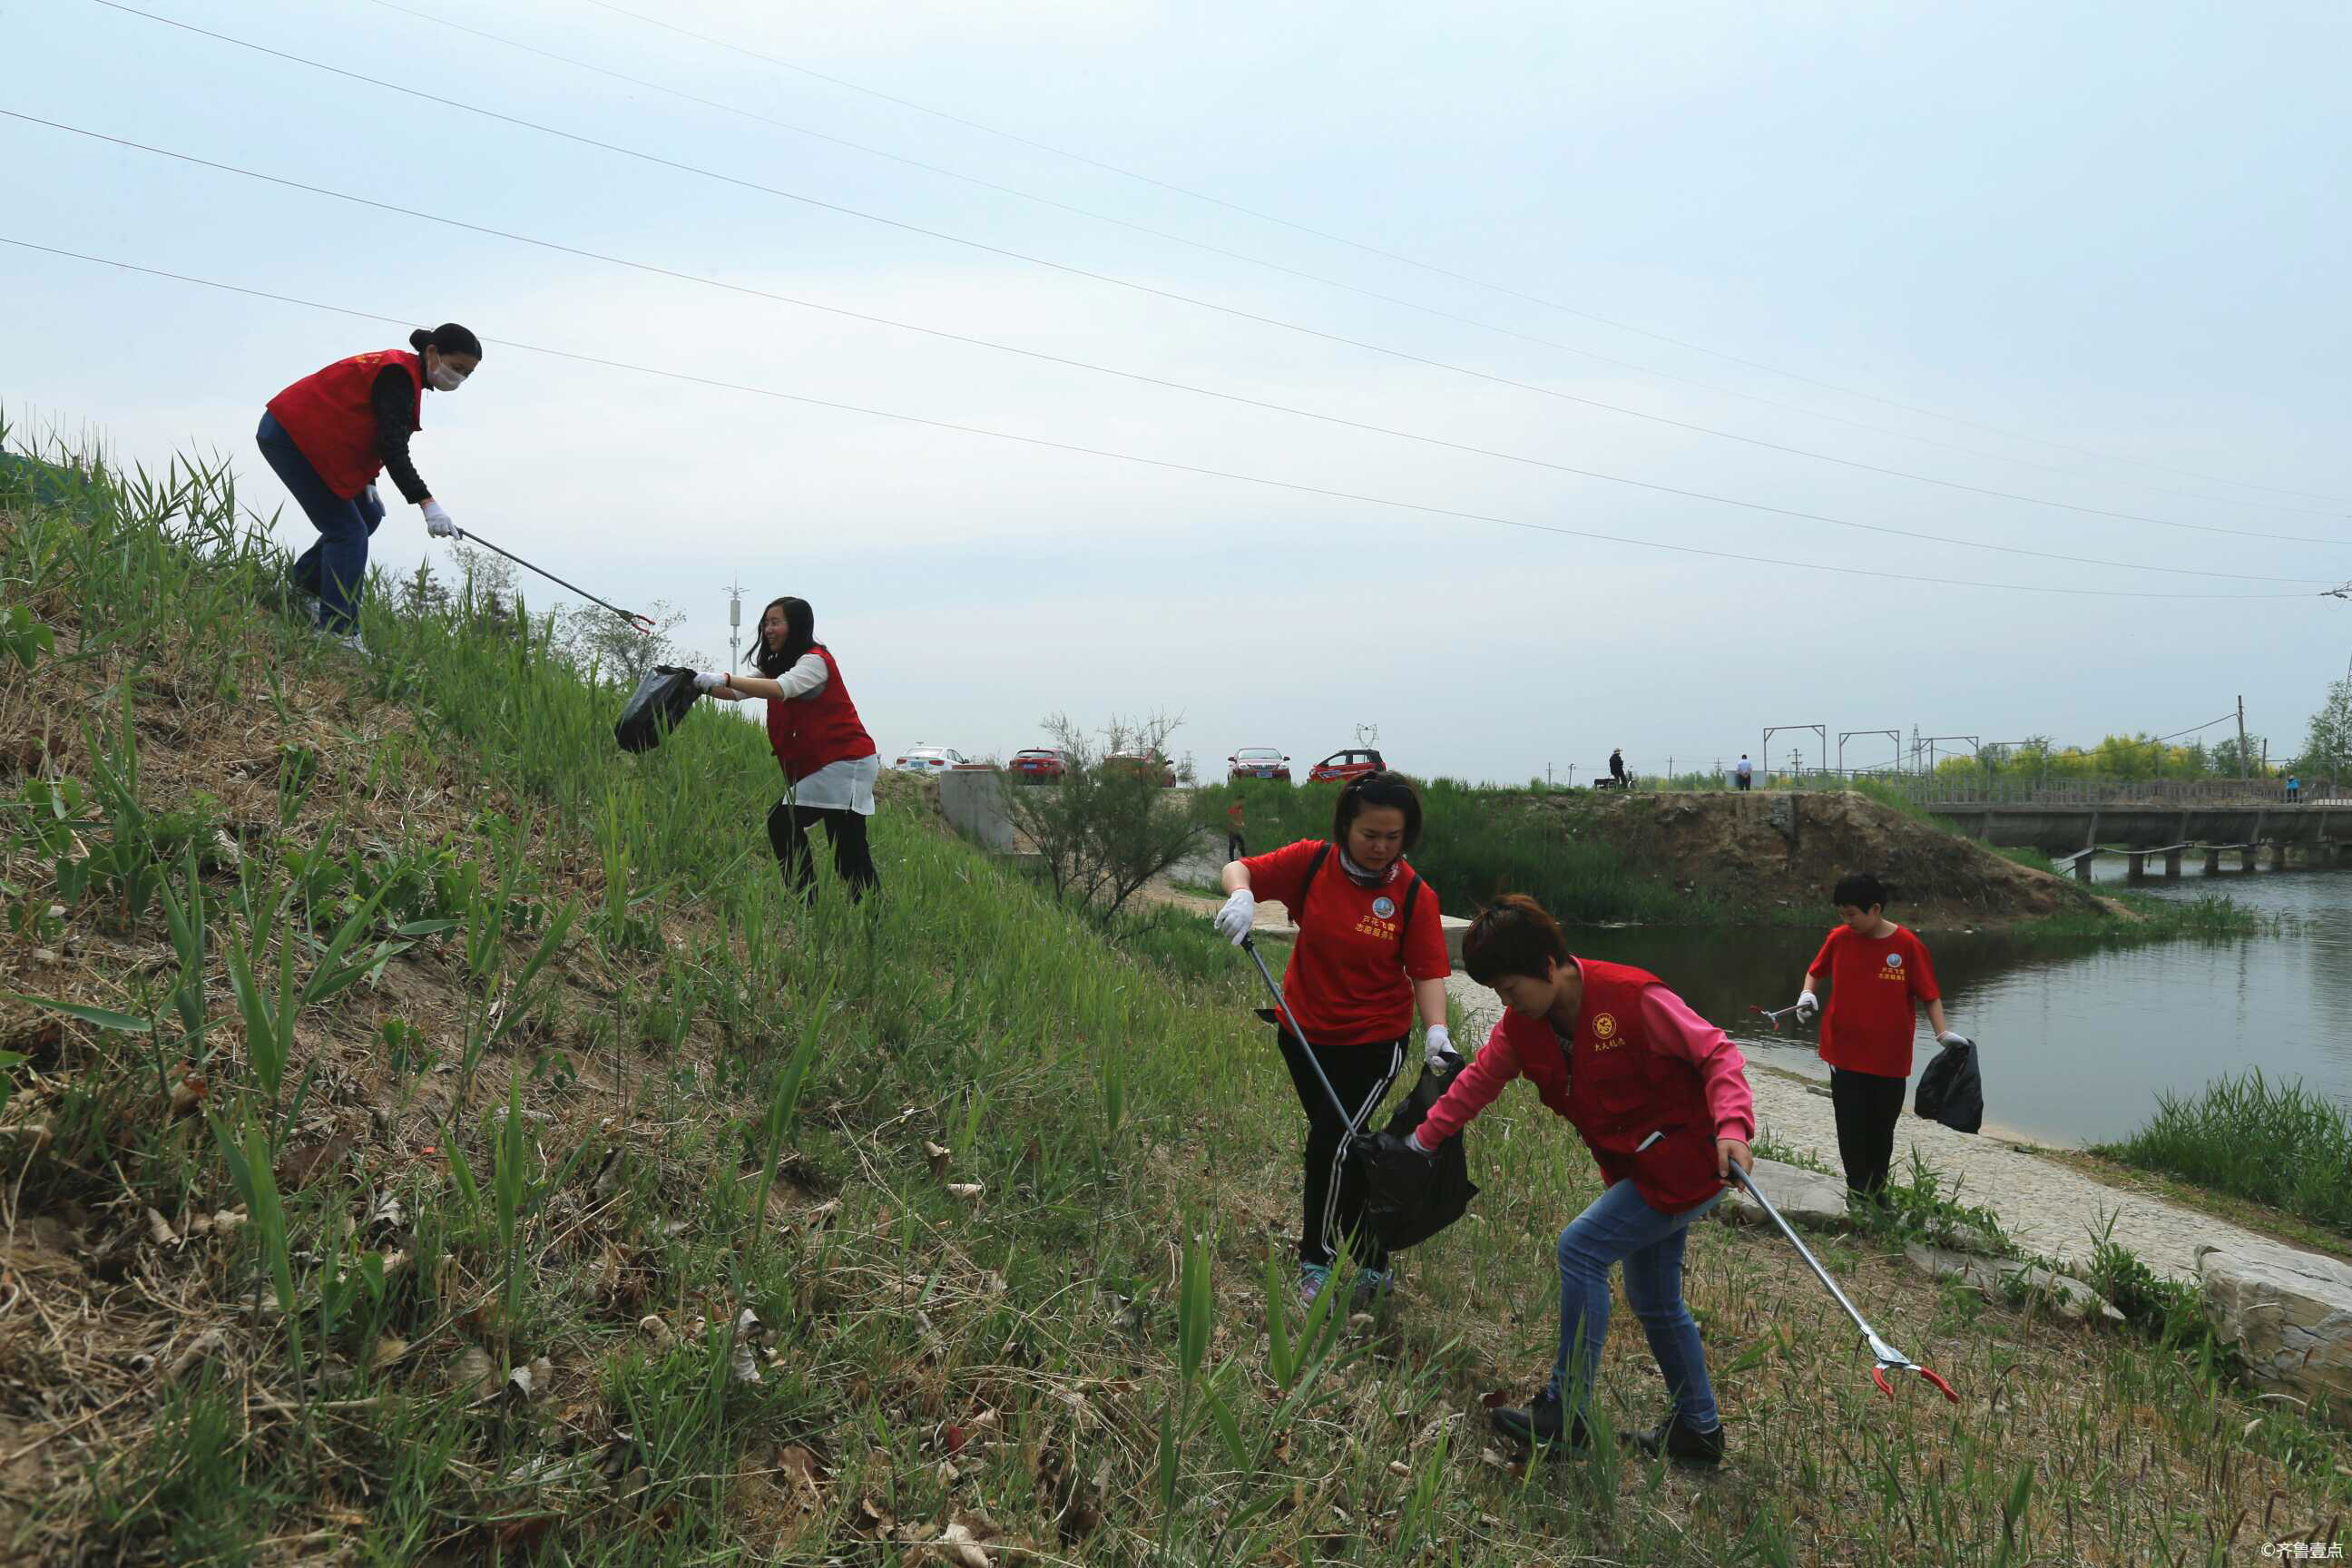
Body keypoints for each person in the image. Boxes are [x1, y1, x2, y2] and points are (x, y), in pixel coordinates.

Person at [1378, 894, 1752, 1465]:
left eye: (1511, 988)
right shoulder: (1524, 1026)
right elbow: (1478, 1082)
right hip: (1638, 1168)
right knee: (1654, 1299)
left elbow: (1717, 1054)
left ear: (1548, 966)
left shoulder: (1636, 999)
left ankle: (1566, 1408)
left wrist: (1734, 1127)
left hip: (1687, 1163)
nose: (1508, 1003)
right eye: (1498, 994)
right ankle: (1698, 1432)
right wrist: (1421, 1142)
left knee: (1580, 1248)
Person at [1211, 772, 1454, 1308]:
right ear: (1346, 825)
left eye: (1393, 837)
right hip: (1302, 1032)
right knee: (1347, 1146)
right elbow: (1238, 867)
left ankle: (1315, 1259)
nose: (1381, 847)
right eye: (1370, 833)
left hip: (1374, 1041)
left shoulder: (1413, 895)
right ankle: (1371, 1255)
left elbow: (1428, 972)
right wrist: (1243, 894)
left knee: (1330, 1142)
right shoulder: (1314, 862)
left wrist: (1436, 1030)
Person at [259, 325, 480, 654]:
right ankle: (338, 633)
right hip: (292, 436)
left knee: (368, 514)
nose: (458, 378)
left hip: (310, 438)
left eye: (467, 374)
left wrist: (369, 480)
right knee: (347, 531)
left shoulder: (404, 373)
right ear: (432, 353)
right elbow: (392, 448)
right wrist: (427, 503)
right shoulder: (398, 375)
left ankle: (299, 589)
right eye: (457, 367)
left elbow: (363, 425)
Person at [1790, 872, 1970, 1200]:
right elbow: (1815, 972)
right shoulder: (1839, 939)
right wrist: (1807, 994)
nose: (1847, 921)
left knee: (1881, 1127)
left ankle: (1877, 1191)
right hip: (1843, 1053)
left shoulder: (1907, 946)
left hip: (1889, 1058)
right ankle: (1856, 1190)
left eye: (1852, 914)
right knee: (1849, 1124)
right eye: (1842, 914)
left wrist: (1942, 1032)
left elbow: (1929, 994)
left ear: (1875, 909)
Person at [696, 597, 880, 902]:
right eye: (766, 623)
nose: (769, 630)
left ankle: (809, 904)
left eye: (776, 622)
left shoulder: (815, 661)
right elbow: (735, 691)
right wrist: (695, 683)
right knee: (848, 852)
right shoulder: (779, 666)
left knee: (787, 823)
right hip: (829, 764)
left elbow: (783, 689)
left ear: (796, 626)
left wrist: (725, 677)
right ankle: (837, 909)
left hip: (845, 761)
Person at [1226, 796, 1247, 862]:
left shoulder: (1240, 809)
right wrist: (1238, 824)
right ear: (1238, 801)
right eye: (1242, 801)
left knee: (1242, 843)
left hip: (1237, 830)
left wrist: (1242, 823)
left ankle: (1245, 859)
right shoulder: (1233, 809)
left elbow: (1240, 818)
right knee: (1232, 845)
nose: (1243, 802)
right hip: (1232, 830)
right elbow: (1230, 819)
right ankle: (1232, 861)